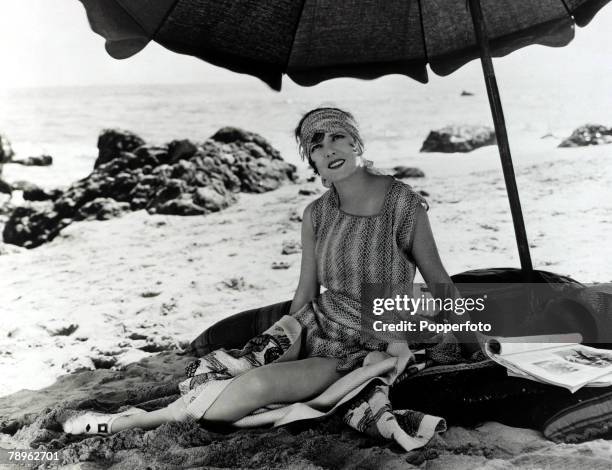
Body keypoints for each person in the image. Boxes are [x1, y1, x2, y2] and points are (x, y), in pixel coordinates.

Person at [63, 107, 479, 435]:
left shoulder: (401, 202)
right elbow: (305, 290)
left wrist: (476, 345)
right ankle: (159, 412)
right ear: (311, 160)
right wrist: (282, 338)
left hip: (372, 340)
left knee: (258, 388)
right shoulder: (316, 213)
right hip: (318, 324)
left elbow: (439, 280)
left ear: (357, 143)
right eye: (316, 144)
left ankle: (129, 422)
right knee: (241, 368)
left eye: (338, 137)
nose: (328, 148)